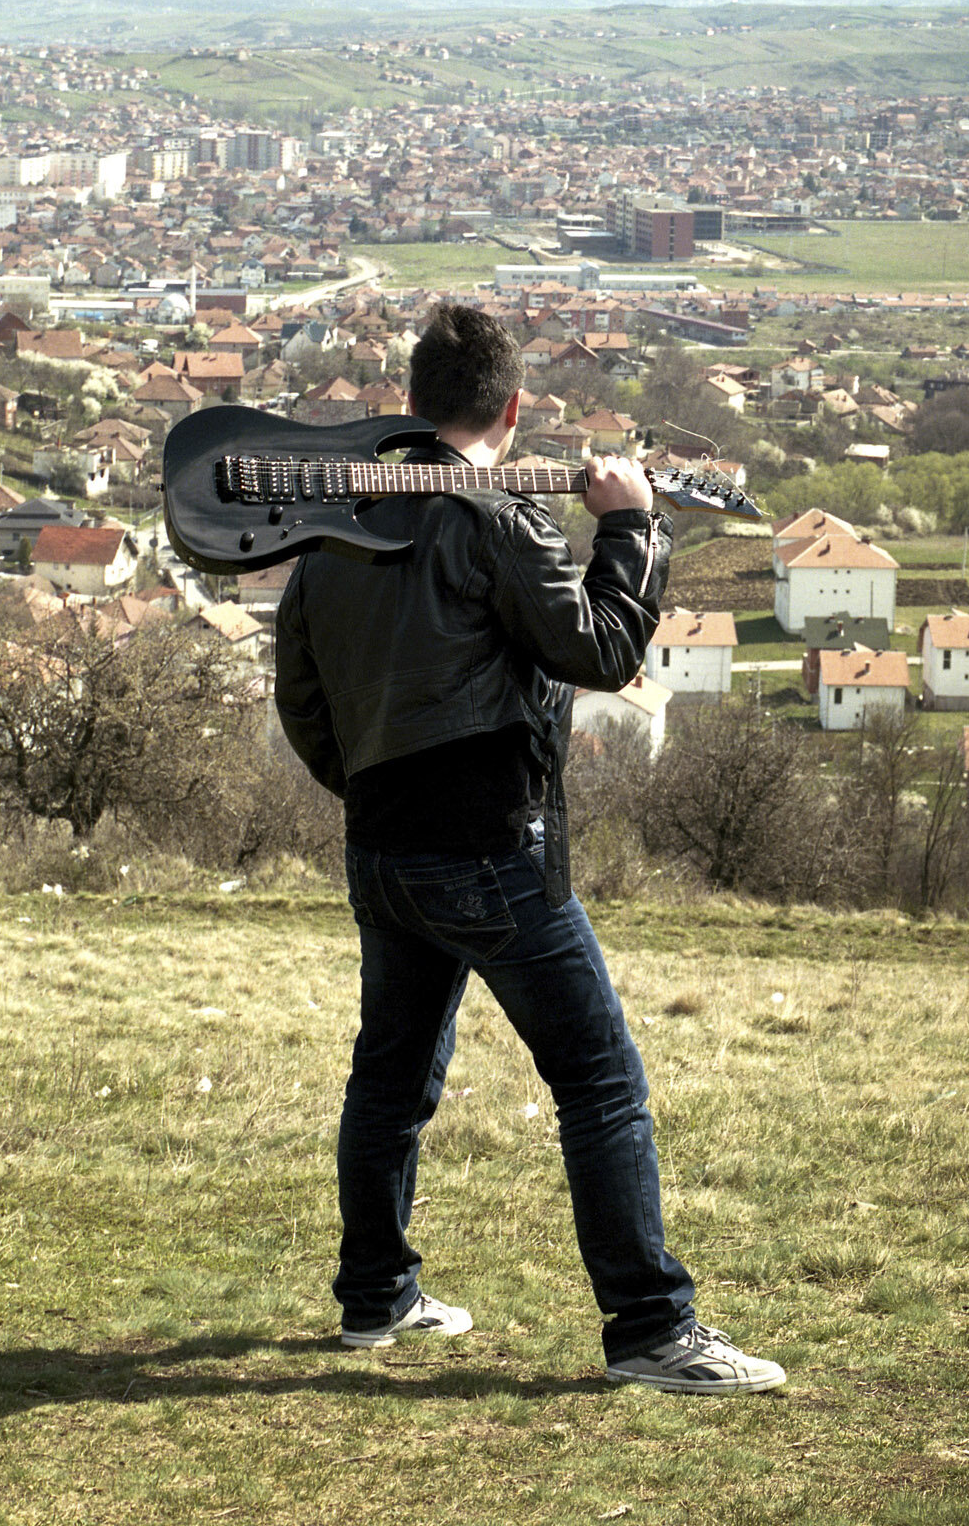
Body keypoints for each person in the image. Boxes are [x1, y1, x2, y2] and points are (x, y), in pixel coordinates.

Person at [272, 303, 785, 1394]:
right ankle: (650, 1328)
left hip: (381, 845)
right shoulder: (494, 516)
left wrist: (372, 791)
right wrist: (634, 528)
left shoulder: (332, 523)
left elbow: (304, 702)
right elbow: (599, 649)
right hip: (489, 844)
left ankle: (376, 1293)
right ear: (511, 408)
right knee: (598, 1077)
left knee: (391, 1073)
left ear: (411, 402)